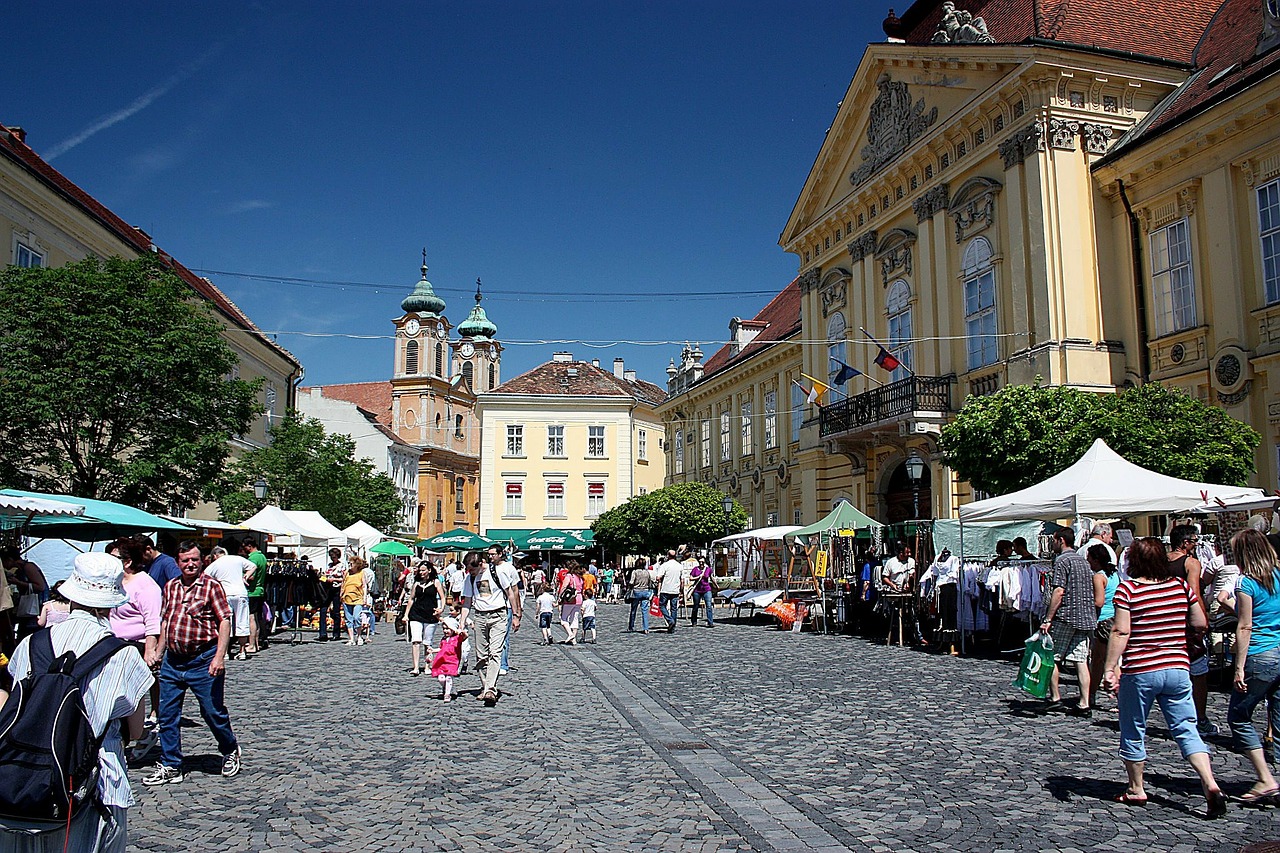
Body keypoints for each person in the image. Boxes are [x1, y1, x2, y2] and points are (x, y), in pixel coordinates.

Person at [3, 552, 152, 852]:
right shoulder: (123, 655)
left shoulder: (31, 644)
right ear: (112, 600)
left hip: (19, 783)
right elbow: (135, 731)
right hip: (91, 787)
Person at [1100, 536, 1225, 817]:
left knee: (1133, 728)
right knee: (1186, 728)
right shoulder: (1180, 586)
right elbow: (1200, 622)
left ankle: (1136, 788)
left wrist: (1110, 667)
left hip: (1141, 670)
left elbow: (1120, 631)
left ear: (1135, 561)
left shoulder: (1128, 590)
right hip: (1178, 668)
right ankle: (1210, 782)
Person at [144, 541, 241, 786]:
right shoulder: (171, 587)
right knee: (167, 715)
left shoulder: (211, 586)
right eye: (185, 560)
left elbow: (224, 621)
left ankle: (229, 748)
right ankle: (171, 764)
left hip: (203, 659)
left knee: (212, 712)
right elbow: (166, 622)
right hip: (173, 662)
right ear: (178, 562)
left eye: (195, 560)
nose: (190, 564)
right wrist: (158, 651)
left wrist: (220, 657)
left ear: (202, 561)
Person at [1226, 528, 1280, 804]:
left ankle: (1265, 778)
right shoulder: (1279, 576)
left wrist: (1238, 667)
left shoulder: (1246, 583)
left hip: (1260, 654)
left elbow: (1245, 625)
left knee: (1238, 716)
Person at [106, 536, 163, 758]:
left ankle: (140, 735)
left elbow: (152, 622)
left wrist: (150, 650)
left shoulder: (145, 585)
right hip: (113, 644)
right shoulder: (116, 582)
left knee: (130, 695)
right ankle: (120, 737)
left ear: (128, 561)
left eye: (114, 558)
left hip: (135, 646)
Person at [1041, 528, 1098, 716]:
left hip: (1067, 616)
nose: (1053, 543)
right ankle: (1084, 702)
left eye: (1055, 540)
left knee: (1052, 657)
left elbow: (1059, 591)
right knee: (1080, 660)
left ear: (1062, 540)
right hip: (1086, 617)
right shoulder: (1083, 561)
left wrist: (1048, 618)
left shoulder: (1062, 561)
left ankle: (1055, 697)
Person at [1168, 524, 1216, 735]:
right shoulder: (1191, 563)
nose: (1197, 545)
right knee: (1198, 673)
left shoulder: (1161, 562)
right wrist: (1203, 620)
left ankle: (1176, 717)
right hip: (1186, 622)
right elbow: (1194, 593)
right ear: (1185, 543)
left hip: (1166, 619)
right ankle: (1200, 718)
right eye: (1195, 541)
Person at [458, 547, 522, 706]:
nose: (470, 572)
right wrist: (461, 624)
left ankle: (490, 689)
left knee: (495, 652)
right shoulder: (470, 579)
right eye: (468, 570)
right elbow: (467, 602)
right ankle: (486, 686)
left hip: (498, 615)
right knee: (481, 656)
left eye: (473, 569)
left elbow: (511, 593)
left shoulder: (497, 572)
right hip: (480, 616)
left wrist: (515, 615)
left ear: (481, 563)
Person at [203, 545, 253, 661]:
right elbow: (253, 566)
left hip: (226, 594)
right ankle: (242, 651)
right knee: (242, 621)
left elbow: (205, 576)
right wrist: (246, 577)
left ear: (215, 556)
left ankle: (225, 652)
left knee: (226, 622)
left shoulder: (215, 564)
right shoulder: (237, 559)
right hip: (241, 593)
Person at [1087, 543, 1120, 710]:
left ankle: (1121, 696)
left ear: (1095, 559)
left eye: (1089, 558)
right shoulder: (1113, 573)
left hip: (1104, 621)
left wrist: (1085, 603)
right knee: (1100, 660)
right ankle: (1090, 694)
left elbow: (1099, 601)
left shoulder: (1098, 577)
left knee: (1109, 661)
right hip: (1115, 617)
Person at [403, 564, 445, 675]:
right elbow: (411, 599)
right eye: (420, 570)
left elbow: (442, 597)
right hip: (416, 614)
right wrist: (406, 614)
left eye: (423, 570)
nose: (421, 573)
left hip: (430, 615)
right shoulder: (417, 583)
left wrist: (441, 609)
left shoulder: (435, 582)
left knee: (428, 642)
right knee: (416, 641)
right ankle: (416, 667)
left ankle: (427, 665)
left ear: (429, 570)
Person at [241, 538, 268, 653]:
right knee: (256, 618)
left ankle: (251, 644)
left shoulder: (252, 558)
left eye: (244, 547)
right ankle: (256, 643)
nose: (244, 550)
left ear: (249, 546)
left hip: (252, 591)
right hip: (260, 590)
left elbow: (251, 577)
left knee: (251, 618)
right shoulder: (262, 556)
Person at [431, 617, 465, 702]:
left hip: (452, 661)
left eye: (448, 629)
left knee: (449, 678)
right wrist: (433, 650)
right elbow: (441, 649)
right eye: (444, 629)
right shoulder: (443, 639)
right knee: (441, 678)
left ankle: (447, 694)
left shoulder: (457, 638)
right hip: (442, 661)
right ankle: (446, 688)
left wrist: (458, 631)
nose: (445, 631)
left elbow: (464, 636)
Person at [653, 550, 683, 634]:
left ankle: (670, 621)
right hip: (675, 590)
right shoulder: (679, 566)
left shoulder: (665, 565)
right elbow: (682, 580)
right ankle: (672, 627)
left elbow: (658, 577)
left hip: (665, 589)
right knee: (674, 609)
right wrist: (681, 590)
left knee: (662, 605)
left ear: (668, 555)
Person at [318, 548, 345, 641]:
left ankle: (336, 633)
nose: (333, 559)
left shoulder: (342, 566)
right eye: (331, 557)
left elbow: (344, 579)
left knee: (336, 612)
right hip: (327, 589)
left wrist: (334, 579)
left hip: (337, 589)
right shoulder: (329, 565)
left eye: (334, 557)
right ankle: (322, 633)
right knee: (323, 609)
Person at [341, 558, 367, 646]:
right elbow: (343, 583)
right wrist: (341, 593)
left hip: (358, 598)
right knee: (348, 619)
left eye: (351, 563)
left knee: (356, 617)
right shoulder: (346, 572)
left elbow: (364, 586)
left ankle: (359, 636)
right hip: (346, 598)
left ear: (356, 564)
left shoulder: (361, 573)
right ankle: (351, 638)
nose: (349, 565)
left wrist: (365, 598)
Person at [557, 561, 585, 645]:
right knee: (575, 618)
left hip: (570, 599)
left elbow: (564, 586)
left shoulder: (569, 576)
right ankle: (574, 639)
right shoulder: (580, 577)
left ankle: (570, 634)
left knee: (563, 619)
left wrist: (560, 596)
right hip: (579, 598)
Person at [627, 558, 654, 633]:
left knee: (633, 610)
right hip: (645, 592)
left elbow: (631, 582)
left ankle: (631, 626)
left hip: (636, 592)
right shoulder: (647, 572)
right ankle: (646, 628)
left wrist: (629, 587)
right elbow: (650, 583)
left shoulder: (635, 572)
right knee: (645, 611)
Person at [689, 558, 715, 627]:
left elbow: (711, 577)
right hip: (697, 590)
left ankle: (710, 622)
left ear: (704, 562)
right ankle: (694, 621)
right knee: (696, 606)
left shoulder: (708, 569)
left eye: (702, 562)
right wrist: (698, 577)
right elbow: (691, 578)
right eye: (700, 562)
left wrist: (716, 585)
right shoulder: (695, 569)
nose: (701, 563)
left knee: (709, 606)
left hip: (706, 589)